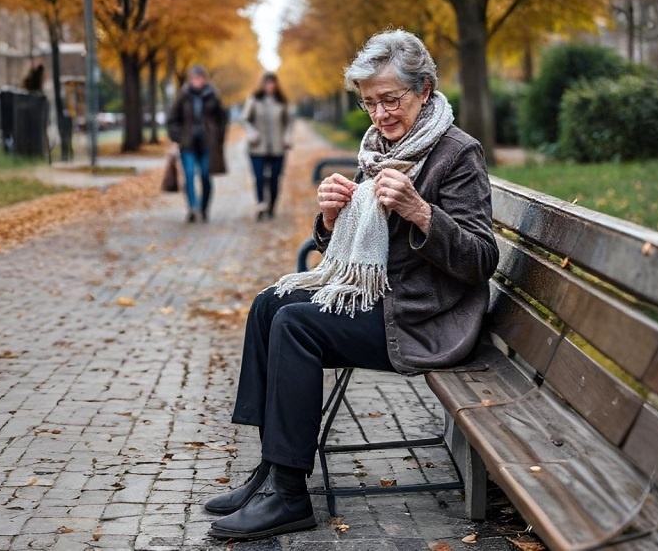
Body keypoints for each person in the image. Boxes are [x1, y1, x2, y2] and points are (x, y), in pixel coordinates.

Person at [205, 29, 499, 541]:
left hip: (426, 318)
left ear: (424, 90)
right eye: (369, 104)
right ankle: (271, 470)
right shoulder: (381, 148)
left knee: (297, 324)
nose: (381, 115)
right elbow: (350, 250)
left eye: (391, 100)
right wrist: (328, 217)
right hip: (385, 299)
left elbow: (481, 260)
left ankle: (290, 497)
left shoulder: (457, 154)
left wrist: (422, 212)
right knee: (269, 303)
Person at [167, 65, 227, 223]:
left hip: (207, 143)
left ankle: (204, 207)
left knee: (206, 176)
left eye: (200, 78)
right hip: (188, 143)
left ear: (205, 79)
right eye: (194, 78)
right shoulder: (183, 96)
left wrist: (218, 138)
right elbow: (173, 118)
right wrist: (176, 137)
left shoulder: (213, 95)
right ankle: (193, 207)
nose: (197, 81)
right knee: (189, 175)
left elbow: (222, 119)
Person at [241, 72, 292, 220]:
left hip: (277, 148)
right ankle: (261, 204)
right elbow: (245, 119)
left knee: (275, 179)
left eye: (272, 84)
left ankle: (271, 206)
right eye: (267, 84)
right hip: (257, 147)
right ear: (263, 85)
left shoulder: (281, 101)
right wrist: (251, 132)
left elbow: (288, 123)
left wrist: (286, 138)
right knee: (259, 178)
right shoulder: (254, 100)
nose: (270, 86)